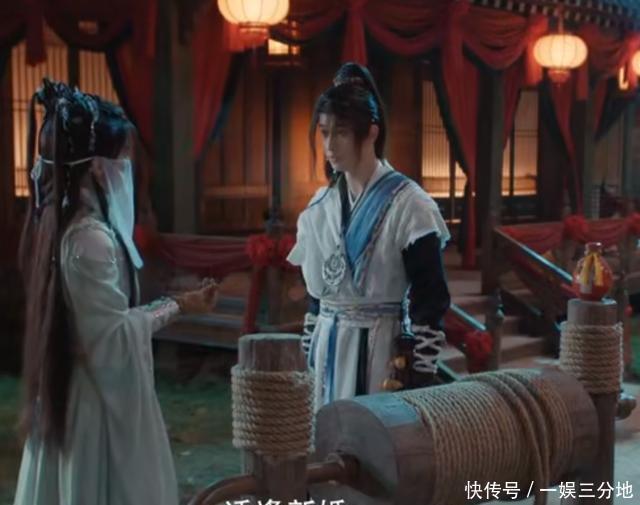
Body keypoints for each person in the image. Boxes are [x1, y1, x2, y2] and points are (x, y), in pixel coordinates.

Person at [13, 79, 218, 505]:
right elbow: (111, 339)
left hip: (68, 390)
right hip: (92, 404)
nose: (128, 168)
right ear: (96, 167)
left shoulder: (58, 222)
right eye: (124, 157)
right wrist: (178, 305)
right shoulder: (89, 239)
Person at [287, 63, 451, 410]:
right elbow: (315, 298)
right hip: (326, 346)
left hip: (379, 349)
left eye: (342, 133)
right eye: (325, 132)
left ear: (372, 132)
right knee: (322, 434)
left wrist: (420, 372)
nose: (330, 145)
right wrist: (306, 353)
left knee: (372, 436)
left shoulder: (410, 204)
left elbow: (430, 298)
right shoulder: (320, 205)